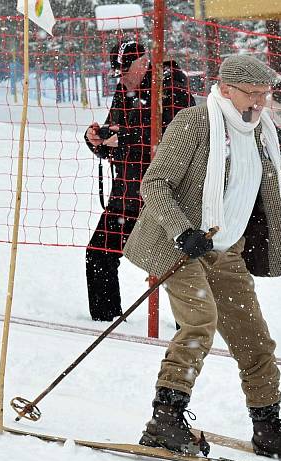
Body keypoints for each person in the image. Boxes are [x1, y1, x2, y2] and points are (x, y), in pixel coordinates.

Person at [122, 54, 281, 461]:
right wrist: (181, 230)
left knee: (254, 338)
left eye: (265, 94)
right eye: (252, 94)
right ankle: (165, 420)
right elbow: (154, 185)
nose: (260, 103)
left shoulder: (261, 132)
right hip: (181, 248)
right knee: (199, 324)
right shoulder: (195, 124)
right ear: (226, 89)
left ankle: (268, 427)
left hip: (227, 252)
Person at [83, 39, 193, 321]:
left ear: (143, 63)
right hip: (127, 193)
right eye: (117, 74)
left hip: (167, 195)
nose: (121, 79)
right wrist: (96, 139)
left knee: (179, 269)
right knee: (98, 255)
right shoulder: (124, 90)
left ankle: (191, 331)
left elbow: (175, 134)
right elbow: (114, 139)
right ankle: (107, 323)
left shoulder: (172, 84)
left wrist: (123, 137)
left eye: (124, 71)